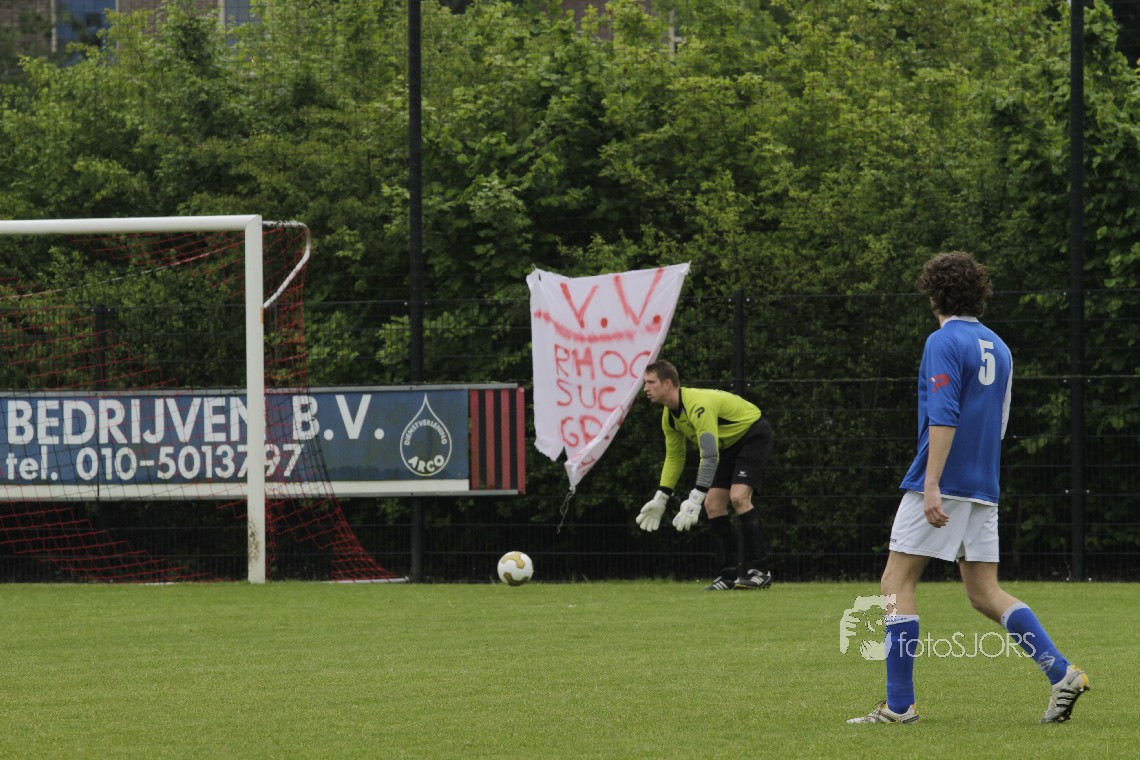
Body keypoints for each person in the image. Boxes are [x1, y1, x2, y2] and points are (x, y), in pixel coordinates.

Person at [848, 251, 1089, 725]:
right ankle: (1062, 673)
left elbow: (944, 415)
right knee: (983, 592)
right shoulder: (1000, 345)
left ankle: (899, 706)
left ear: (933, 294)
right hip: (984, 482)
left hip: (945, 479)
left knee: (896, 582)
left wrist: (932, 482)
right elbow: (1000, 423)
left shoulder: (943, 340)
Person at [635, 359, 775, 590]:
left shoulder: (698, 406)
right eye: (645, 383)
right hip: (727, 446)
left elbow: (709, 456)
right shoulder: (669, 417)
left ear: (667, 384)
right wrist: (661, 497)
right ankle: (728, 577)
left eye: (650, 382)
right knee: (713, 505)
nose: (645, 388)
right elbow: (675, 458)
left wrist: (694, 498)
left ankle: (762, 572)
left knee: (739, 497)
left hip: (752, 435)